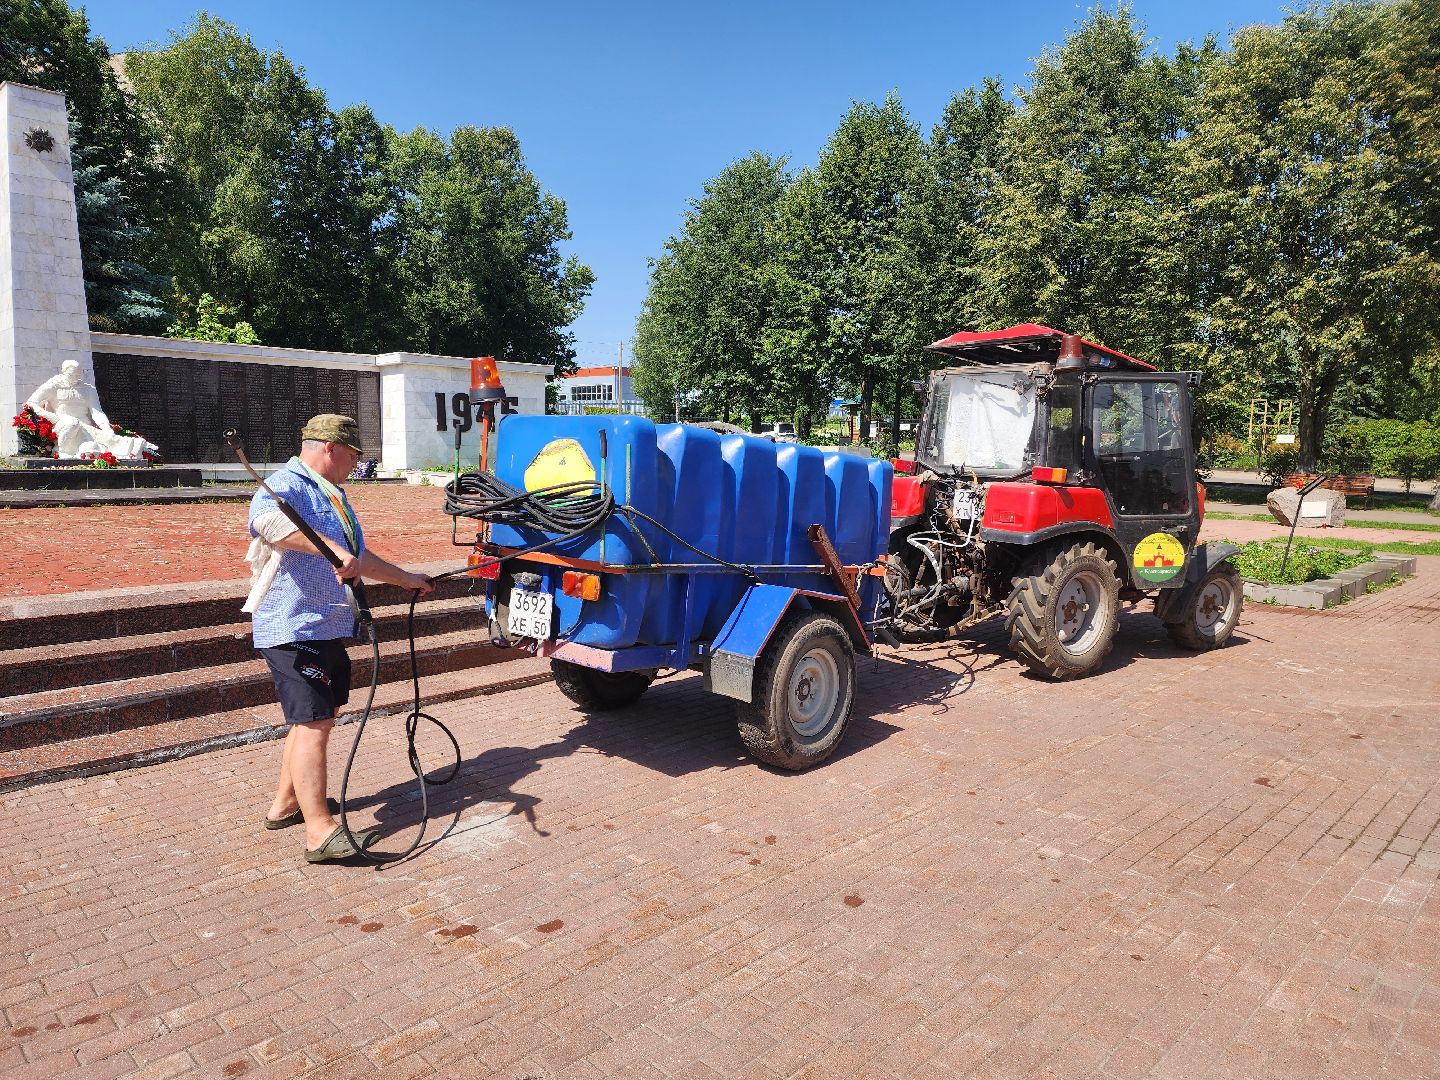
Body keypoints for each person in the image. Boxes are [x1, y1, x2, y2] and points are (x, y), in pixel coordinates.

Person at [245, 414, 434, 864]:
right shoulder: (287, 484)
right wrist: (332, 550)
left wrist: (407, 579)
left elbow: (357, 557)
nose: (355, 465)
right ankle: (319, 833)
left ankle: (286, 805)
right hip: (293, 626)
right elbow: (265, 522)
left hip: (324, 625)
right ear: (330, 448)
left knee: (314, 718)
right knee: (314, 724)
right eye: (352, 456)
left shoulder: (331, 494)